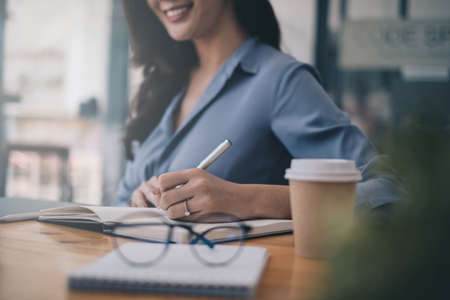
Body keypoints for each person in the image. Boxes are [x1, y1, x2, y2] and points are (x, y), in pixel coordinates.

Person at [117, 0, 398, 220]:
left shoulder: (280, 81)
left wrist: (246, 199)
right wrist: (137, 203)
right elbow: (117, 203)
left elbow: (388, 191)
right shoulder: (163, 88)